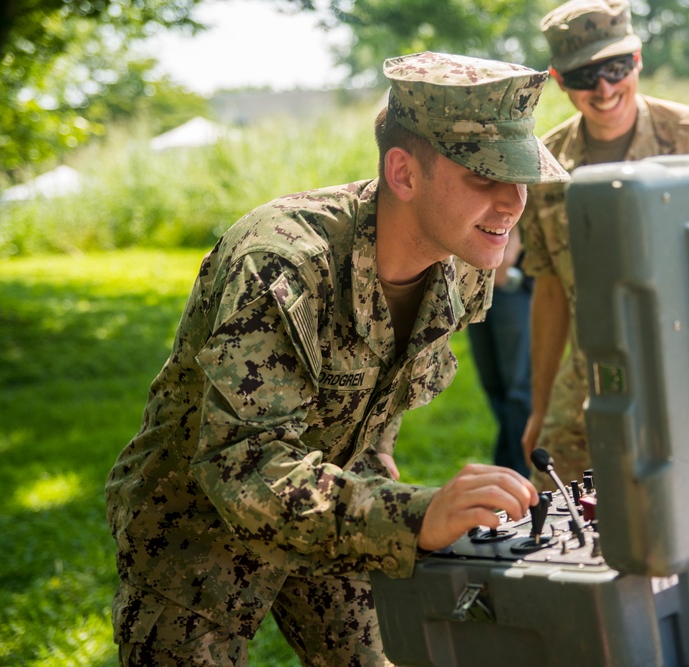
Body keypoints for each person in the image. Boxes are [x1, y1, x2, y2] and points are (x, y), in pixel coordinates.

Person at [105, 51, 569, 666]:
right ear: (404, 174)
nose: (513, 203)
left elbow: (375, 396)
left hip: (336, 509)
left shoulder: (462, 260)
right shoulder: (281, 261)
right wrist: (417, 515)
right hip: (193, 530)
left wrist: (380, 471)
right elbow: (241, 466)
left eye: (520, 177)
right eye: (485, 177)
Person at [519, 0, 689, 489]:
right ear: (559, 80)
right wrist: (539, 406)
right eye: (584, 76)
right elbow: (551, 290)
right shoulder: (546, 167)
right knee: (556, 500)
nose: (603, 89)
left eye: (615, 68)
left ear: (637, 59)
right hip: (591, 375)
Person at [466, 224, 533, 478]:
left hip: (511, 274)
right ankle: (508, 470)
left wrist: (513, 242)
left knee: (519, 388)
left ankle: (524, 476)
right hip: (476, 272)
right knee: (494, 384)